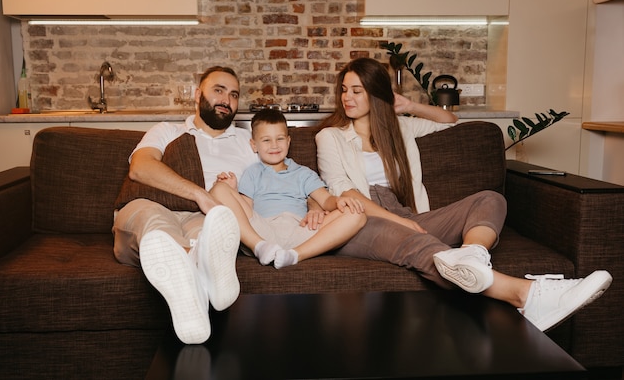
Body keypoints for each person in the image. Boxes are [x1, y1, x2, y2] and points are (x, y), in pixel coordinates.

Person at [314, 57, 612, 332]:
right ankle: (526, 294)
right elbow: (345, 191)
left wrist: (408, 105)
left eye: (357, 90)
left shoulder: (400, 128)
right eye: (344, 90)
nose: (346, 98)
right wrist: (400, 223)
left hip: (407, 214)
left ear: (377, 94)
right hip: (358, 220)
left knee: (490, 199)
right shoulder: (331, 136)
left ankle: (473, 255)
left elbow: (450, 122)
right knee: (414, 239)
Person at [112, 66, 258, 344]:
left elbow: (282, 177)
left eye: (234, 94)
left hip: (203, 217)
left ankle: (189, 285)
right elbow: (140, 168)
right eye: (218, 90)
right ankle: (194, 268)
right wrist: (201, 195)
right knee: (156, 227)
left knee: (212, 232)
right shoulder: (167, 131)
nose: (227, 99)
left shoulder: (247, 142)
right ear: (197, 94)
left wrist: (317, 203)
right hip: (150, 205)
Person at [210, 109, 366, 269]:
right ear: (254, 145)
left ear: (288, 141)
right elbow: (246, 210)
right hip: (262, 230)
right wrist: (233, 191)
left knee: (357, 214)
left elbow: (325, 200)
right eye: (266, 140)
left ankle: (295, 255)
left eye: (280, 139)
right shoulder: (252, 173)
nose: (274, 145)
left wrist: (339, 201)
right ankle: (259, 247)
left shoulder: (304, 173)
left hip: (300, 231)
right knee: (219, 189)